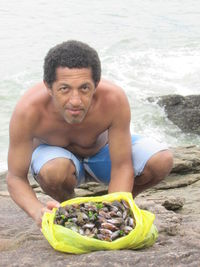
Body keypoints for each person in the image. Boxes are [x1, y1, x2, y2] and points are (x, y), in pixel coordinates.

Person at [6, 40, 173, 227]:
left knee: (161, 160)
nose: (75, 101)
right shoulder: (28, 111)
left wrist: (113, 212)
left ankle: (110, 205)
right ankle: (70, 207)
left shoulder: (113, 99)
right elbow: (15, 177)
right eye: (64, 89)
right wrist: (37, 211)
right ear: (48, 87)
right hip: (57, 161)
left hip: (101, 156)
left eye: (84, 88)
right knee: (54, 172)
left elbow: (122, 166)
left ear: (96, 84)